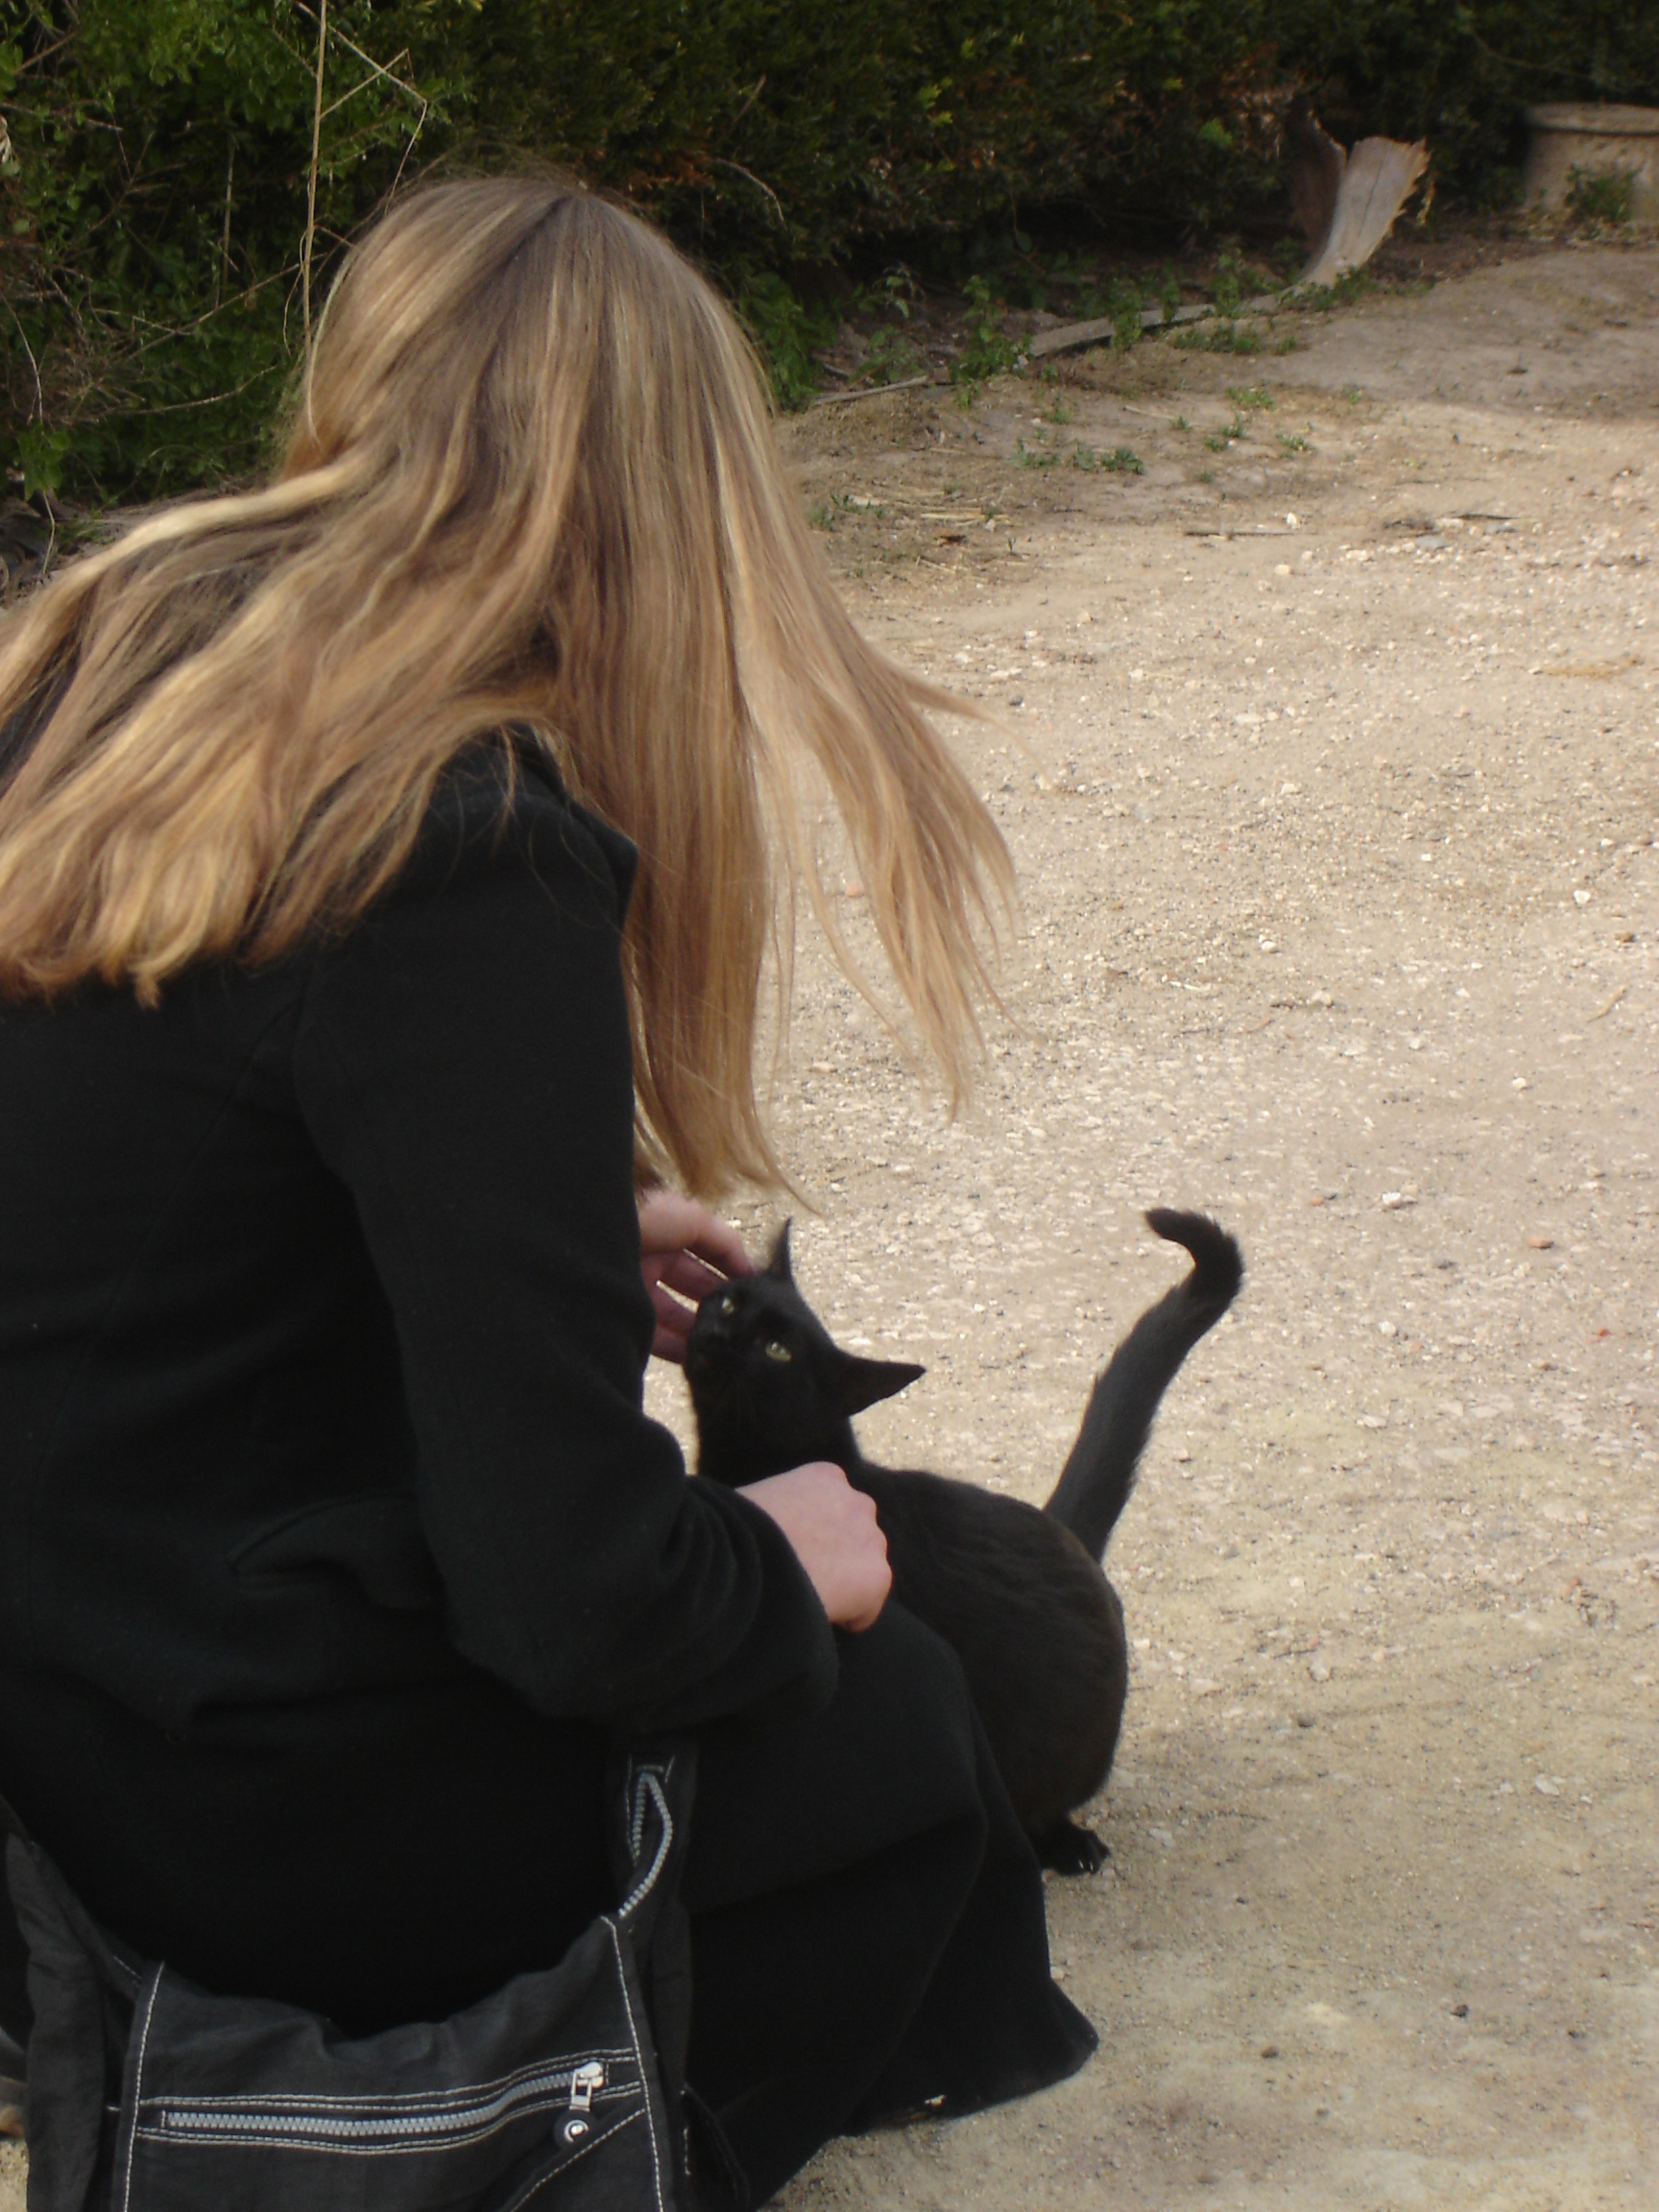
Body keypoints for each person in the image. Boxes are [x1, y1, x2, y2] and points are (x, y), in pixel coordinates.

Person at [0, 179, 1094, 2205]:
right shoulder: (461, 835)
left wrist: (555, 1220)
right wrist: (789, 1572)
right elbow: (579, 1604)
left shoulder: (109, 681)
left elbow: (166, 1192)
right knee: (903, 1727)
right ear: (669, 512)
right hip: (219, 1810)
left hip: (42, 1734)